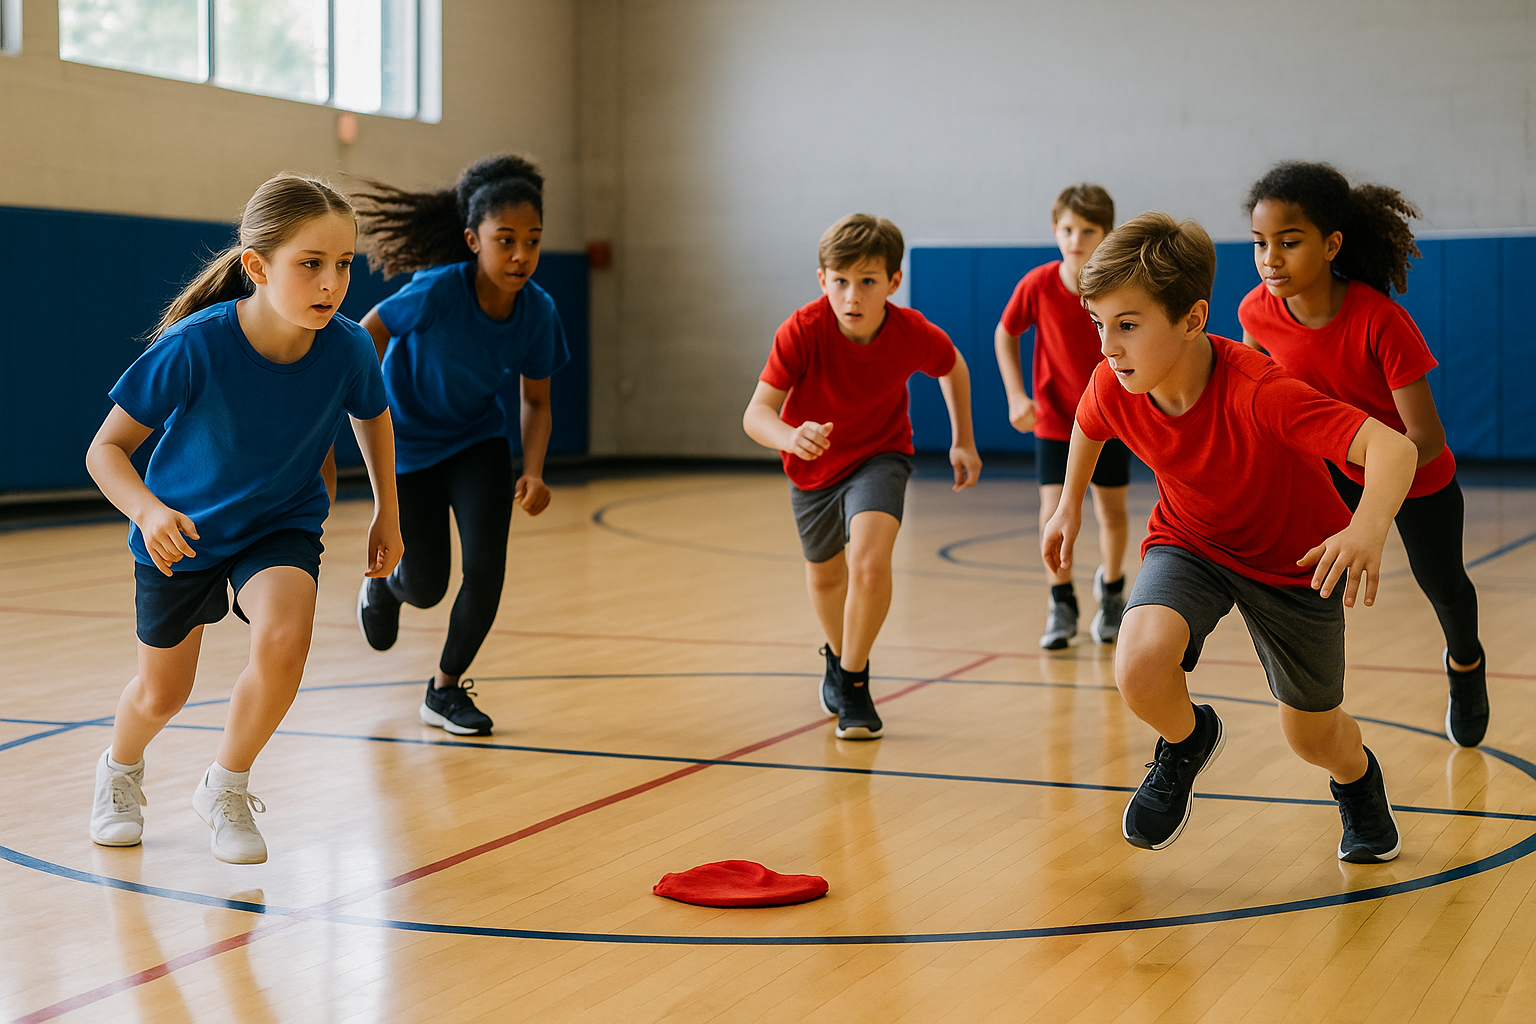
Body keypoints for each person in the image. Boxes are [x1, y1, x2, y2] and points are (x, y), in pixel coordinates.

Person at [1043, 212, 1418, 862]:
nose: (1108, 347)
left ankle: (1357, 780)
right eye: (1098, 324)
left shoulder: (1260, 392)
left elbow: (1392, 448)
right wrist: (1067, 507)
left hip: (1296, 565)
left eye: (1127, 325)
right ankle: (1186, 743)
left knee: (1311, 735)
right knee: (1137, 663)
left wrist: (1366, 528)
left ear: (1192, 318)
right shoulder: (1116, 381)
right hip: (1192, 543)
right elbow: (1087, 423)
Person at [86, 174, 400, 864]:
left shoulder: (347, 347)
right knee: (162, 694)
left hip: (280, 522)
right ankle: (120, 770)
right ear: (257, 267)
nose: (330, 283)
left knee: (286, 639)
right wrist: (148, 508)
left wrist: (387, 511)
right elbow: (104, 450)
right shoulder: (197, 345)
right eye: (310, 264)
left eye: (343, 264)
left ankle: (225, 784)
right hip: (183, 531)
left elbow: (371, 414)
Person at [1241, 160, 1488, 747]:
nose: (1270, 258)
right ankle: (1317, 704)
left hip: (1416, 477)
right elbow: (1257, 397)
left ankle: (1466, 666)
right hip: (1332, 473)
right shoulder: (1255, 311)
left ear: (1331, 245)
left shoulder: (1380, 321)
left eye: (1289, 242)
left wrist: (1372, 507)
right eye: (1260, 244)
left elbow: (1426, 438)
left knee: (1443, 584)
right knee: (1312, 580)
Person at [351, 154, 569, 736]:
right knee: (425, 586)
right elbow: (373, 328)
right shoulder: (438, 292)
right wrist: (359, 402)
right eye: (505, 240)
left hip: (477, 443)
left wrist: (536, 470)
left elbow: (538, 401)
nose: (521, 255)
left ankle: (444, 690)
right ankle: (384, 587)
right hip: (410, 444)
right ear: (473, 240)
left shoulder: (538, 312)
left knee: (487, 571)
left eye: (533, 241)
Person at [743, 213, 982, 740]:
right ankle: (838, 657)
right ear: (823, 279)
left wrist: (962, 439)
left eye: (868, 282)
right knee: (827, 576)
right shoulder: (802, 331)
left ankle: (853, 681)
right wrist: (789, 436)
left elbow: (953, 366)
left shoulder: (910, 332)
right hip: (811, 467)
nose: (853, 296)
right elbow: (756, 413)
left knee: (869, 563)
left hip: (880, 455)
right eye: (841, 281)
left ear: (893, 282)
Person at [994, 184, 1130, 648]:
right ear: (1055, 230)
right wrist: (1016, 395)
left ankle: (1112, 591)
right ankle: (1061, 600)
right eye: (1067, 229)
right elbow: (1005, 333)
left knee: (1110, 511)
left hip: (1111, 419)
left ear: (1106, 234)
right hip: (1055, 421)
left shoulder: (1118, 289)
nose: (1075, 239)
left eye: (1087, 230)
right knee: (1052, 510)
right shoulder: (1037, 285)